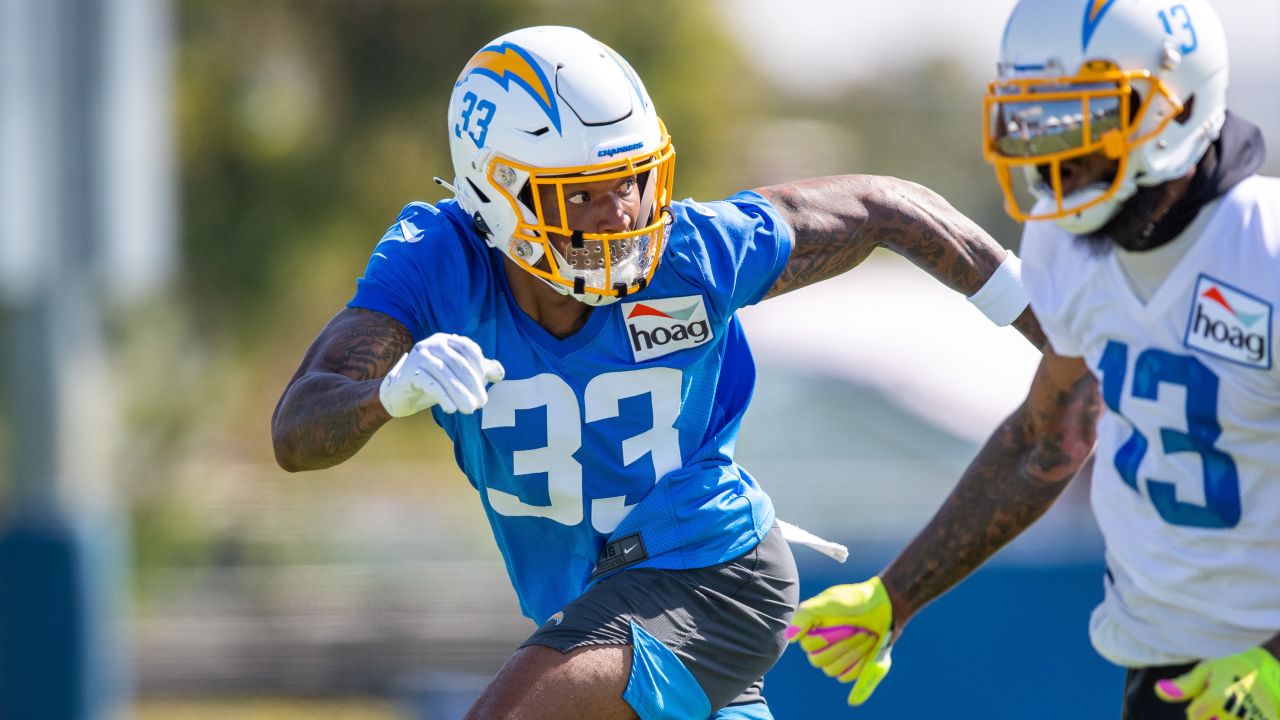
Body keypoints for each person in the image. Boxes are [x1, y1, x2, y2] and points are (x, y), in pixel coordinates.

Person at [271, 25, 1038, 720]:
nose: (619, 216)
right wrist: (387, 392)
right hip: (600, 600)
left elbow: (886, 206)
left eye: (631, 181)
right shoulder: (438, 265)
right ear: (493, 194)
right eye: (582, 194)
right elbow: (298, 432)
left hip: (711, 571)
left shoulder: (693, 255)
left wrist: (1065, 335)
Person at [785, 0, 1280, 718]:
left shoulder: (1262, 250)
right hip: (1165, 667)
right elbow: (1049, 438)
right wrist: (895, 596)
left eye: (1088, 119)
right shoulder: (1067, 244)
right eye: (1040, 120)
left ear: (1177, 107)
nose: (1059, 156)